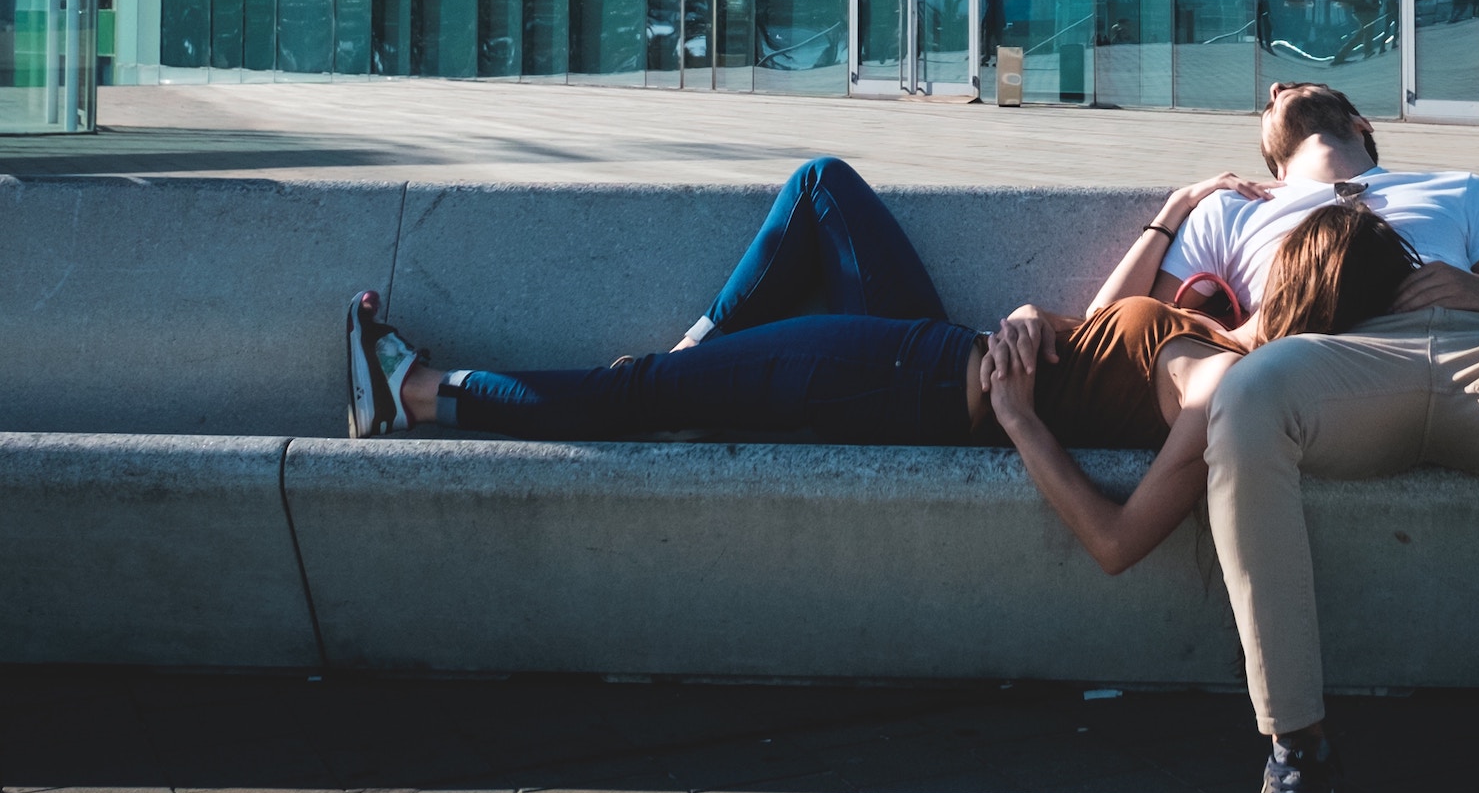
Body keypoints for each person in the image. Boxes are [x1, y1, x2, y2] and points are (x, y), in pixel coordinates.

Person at [995, 84, 1479, 793]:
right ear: (1270, 146)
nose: (1277, 86)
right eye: (1270, 94)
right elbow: (1101, 339)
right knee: (1242, 399)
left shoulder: (1459, 189)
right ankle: (1297, 752)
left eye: (1295, 86)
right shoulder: (1233, 207)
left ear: (1362, 124)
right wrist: (1171, 211)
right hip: (1334, 362)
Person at [343, 155, 1423, 577]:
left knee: (637, 398)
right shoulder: (1221, 339)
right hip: (933, 347)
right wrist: (1040, 315)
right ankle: (708, 349)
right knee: (824, 186)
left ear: (1300, 285)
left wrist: (1016, 415)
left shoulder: (1219, 385)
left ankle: (415, 394)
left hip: (903, 385)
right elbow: (1097, 333)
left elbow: (1114, 540)